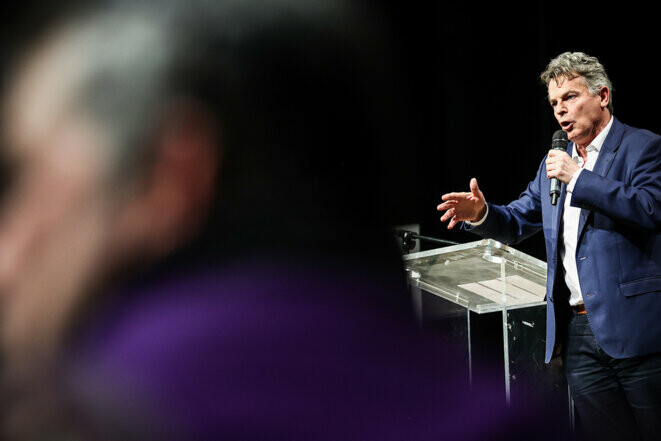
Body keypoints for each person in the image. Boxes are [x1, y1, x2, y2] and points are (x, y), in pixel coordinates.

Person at [0, 1, 573, 440]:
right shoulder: (522, 425)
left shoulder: (76, 414)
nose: (8, 252)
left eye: (23, 179)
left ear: (169, 177)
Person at [437, 51, 661, 441]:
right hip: (578, 333)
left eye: (571, 97)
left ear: (603, 96)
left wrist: (579, 178)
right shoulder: (552, 165)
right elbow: (517, 221)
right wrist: (481, 214)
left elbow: (649, 208)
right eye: (555, 103)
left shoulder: (642, 147)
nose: (561, 111)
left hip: (639, 330)